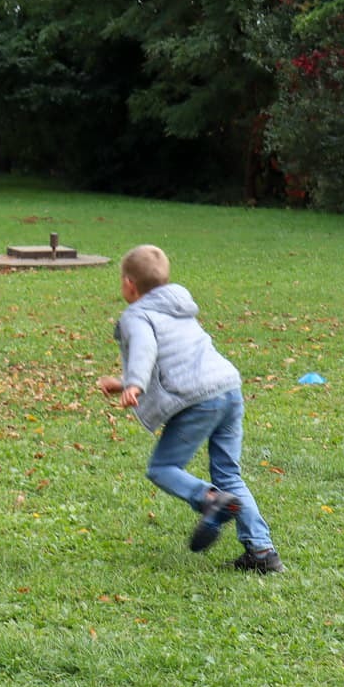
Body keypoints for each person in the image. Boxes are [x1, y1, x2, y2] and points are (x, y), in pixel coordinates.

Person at [99, 244, 281, 572]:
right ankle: (262, 551)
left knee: (162, 467)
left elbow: (145, 348)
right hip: (228, 387)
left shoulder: (137, 316)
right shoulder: (178, 304)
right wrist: (124, 382)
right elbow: (173, 354)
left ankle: (210, 499)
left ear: (128, 283)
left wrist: (135, 383)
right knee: (228, 474)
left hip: (199, 399)